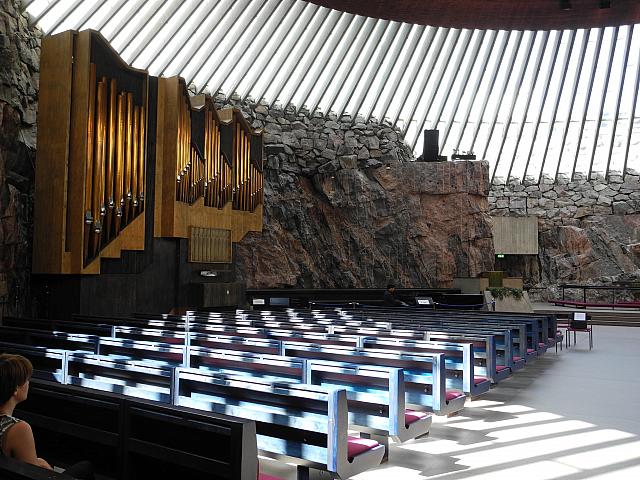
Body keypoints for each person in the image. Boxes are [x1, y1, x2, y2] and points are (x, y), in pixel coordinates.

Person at [0, 354, 94, 480]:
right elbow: (33, 476)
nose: (28, 383)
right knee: (85, 467)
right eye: (27, 379)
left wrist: (37, 462)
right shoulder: (18, 429)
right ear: (16, 389)